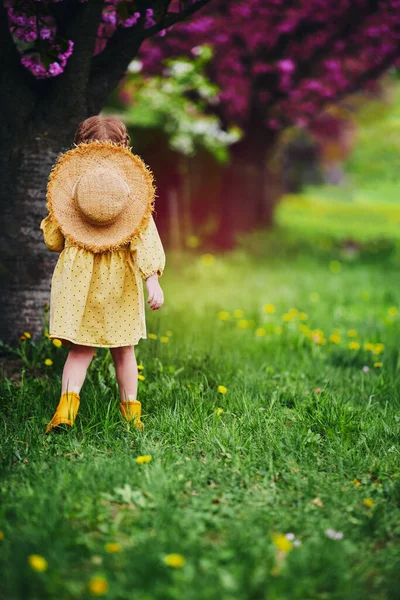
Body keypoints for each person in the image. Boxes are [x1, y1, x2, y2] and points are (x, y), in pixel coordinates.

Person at [40, 116, 165, 433]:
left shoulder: (70, 195)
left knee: (80, 350)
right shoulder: (132, 199)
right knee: (124, 351)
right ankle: (131, 417)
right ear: (125, 149)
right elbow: (145, 241)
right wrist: (152, 279)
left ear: (80, 148)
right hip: (118, 283)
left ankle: (65, 411)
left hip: (79, 283)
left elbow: (53, 240)